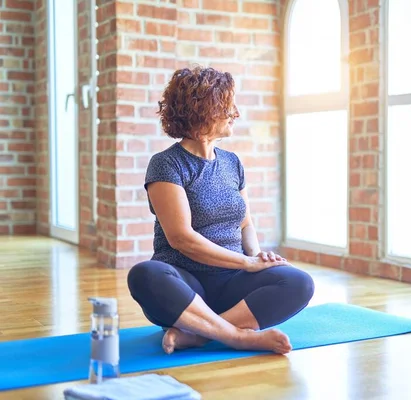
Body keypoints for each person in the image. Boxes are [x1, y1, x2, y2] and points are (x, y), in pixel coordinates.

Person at [127, 66, 315, 355]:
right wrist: (246, 264)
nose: (236, 113)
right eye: (228, 105)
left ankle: (199, 334)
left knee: (299, 281)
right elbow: (181, 238)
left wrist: (256, 257)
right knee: (144, 275)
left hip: (231, 285)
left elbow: (245, 223)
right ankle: (237, 336)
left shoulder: (232, 163)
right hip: (185, 287)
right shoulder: (167, 164)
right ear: (204, 109)